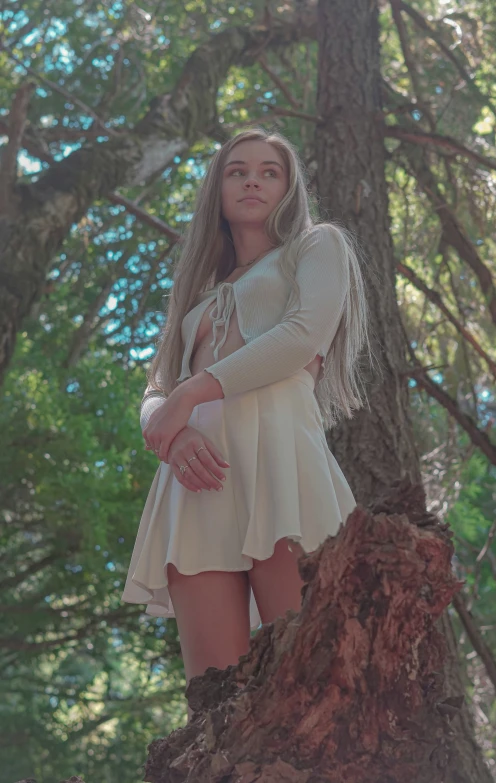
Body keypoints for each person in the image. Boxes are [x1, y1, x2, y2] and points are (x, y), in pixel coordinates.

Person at [121, 127, 372, 723]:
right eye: (237, 170)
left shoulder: (316, 247)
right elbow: (155, 390)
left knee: (315, 686)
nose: (253, 179)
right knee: (218, 707)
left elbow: (302, 335)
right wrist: (175, 429)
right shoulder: (197, 291)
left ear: (289, 188)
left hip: (281, 459)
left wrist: (192, 393)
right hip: (195, 480)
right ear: (218, 187)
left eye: (270, 171)